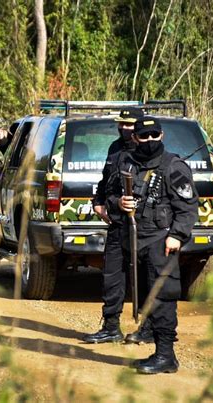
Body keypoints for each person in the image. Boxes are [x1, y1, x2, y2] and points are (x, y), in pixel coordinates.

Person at [105, 116, 198, 374]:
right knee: (145, 296)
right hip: (135, 241)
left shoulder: (172, 166)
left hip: (161, 241)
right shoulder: (127, 164)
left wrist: (177, 235)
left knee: (163, 296)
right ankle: (156, 349)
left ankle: (166, 355)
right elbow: (111, 195)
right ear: (135, 138)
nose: (149, 141)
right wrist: (119, 204)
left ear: (161, 136)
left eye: (153, 136)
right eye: (143, 136)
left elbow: (188, 207)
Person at [83, 107, 153, 344]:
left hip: (143, 226)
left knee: (144, 276)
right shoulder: (115, 148)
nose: (124, 128)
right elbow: (107, 180)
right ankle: (111, 326)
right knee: (112, 275)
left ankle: (148, 328)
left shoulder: (148, 152)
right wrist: (100, 202)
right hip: (117, 223)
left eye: (130, 125)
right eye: (121, 124)